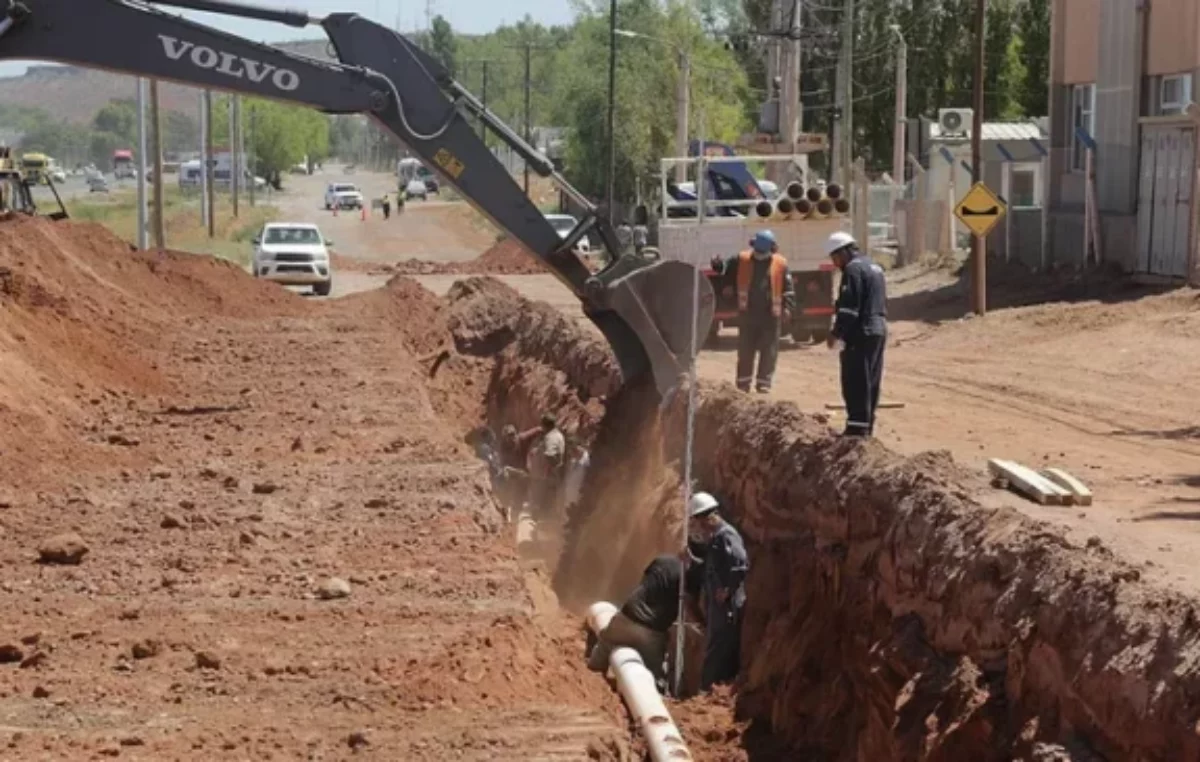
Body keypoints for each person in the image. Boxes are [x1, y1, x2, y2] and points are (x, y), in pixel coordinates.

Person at [587, 553, 703, 681]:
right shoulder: (692, 575)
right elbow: (689, 603)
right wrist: (703, 624)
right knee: (650, 679)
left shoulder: (661, 560)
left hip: (626, 618)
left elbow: (645, 583)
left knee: (605, 645)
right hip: (651, 633)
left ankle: (589, 678)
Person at [710, 230, 795, 394]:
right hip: (748, 314)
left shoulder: (780, 263)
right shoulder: (741, 260)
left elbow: (788, 289)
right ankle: (743, 383)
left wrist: (787, 308)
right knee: (746, 349)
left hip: (771, 314)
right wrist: (717, 265)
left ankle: (764, 383)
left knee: (769, 350)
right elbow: (725, 271)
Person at [825, 231, 888, 437]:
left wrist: (836, 333)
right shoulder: (874, 267)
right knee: (871, 380)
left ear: (843, 252)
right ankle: (866, 426)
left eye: (835, 258)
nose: (835, 263)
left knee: (855, 380)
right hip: (878, 328)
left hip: (860, 331)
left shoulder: (852, 270)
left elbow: (849, 308)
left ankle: (856, 429)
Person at [685, 491, 748, 692]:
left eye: (701, 521)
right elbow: (711, 568)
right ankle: (711, 689)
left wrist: (727, 590)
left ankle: (710, 691)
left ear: (710, 516)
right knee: (715, 645)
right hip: (718, 605)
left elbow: (740, 564)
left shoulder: (726, 535)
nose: (701, 527)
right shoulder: (715, 539)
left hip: (727, 605)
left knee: (720, 648)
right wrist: (691, 560)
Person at [525, 413, 566, 520]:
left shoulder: (550, 437)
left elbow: (550, 455)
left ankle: (541, 524)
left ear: (546, 425)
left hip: (547, 478)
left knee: (542, 501)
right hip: (549, 476)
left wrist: (546, 473)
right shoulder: (557, 435)